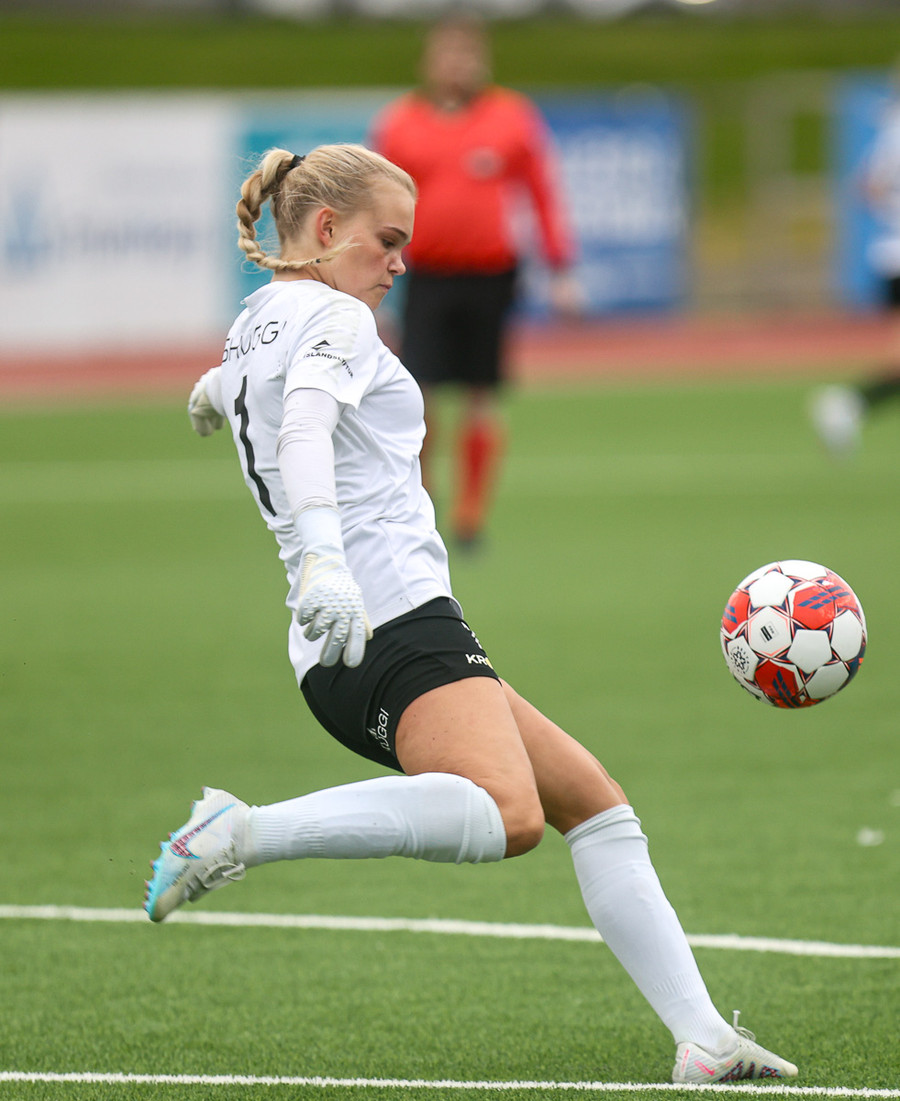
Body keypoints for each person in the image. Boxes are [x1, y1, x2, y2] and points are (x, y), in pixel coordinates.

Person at [144, 143, 797, 1086]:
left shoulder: (256, 321)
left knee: (595, 805)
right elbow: (306, 423)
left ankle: (703, 1039)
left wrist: (212, 393)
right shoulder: (337, 316)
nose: (401, 261)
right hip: (388, 621)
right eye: (386, 240)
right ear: (325, 229)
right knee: (510, 814)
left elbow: (253, 384)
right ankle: (240, 832)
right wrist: (323, 556)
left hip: (350, 639)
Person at [368, 14, 582, 549]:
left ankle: (471, 512)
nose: (457, 65)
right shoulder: (400, 123)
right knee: (417, 392)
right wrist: (370, 268)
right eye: (447, 54)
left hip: (491, 273)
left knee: (481, 394)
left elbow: (542, 191)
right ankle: (421, 497)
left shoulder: (511, 117)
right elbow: (373, 204)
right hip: (426, 275)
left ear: (482, 61)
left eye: (467, 55)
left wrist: (560, 268)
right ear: (428, 62)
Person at [811, 72, 900, 455]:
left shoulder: (891, 128)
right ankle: (849, 405)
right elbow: (869, 186)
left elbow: (867, 186)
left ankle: (850, 406)